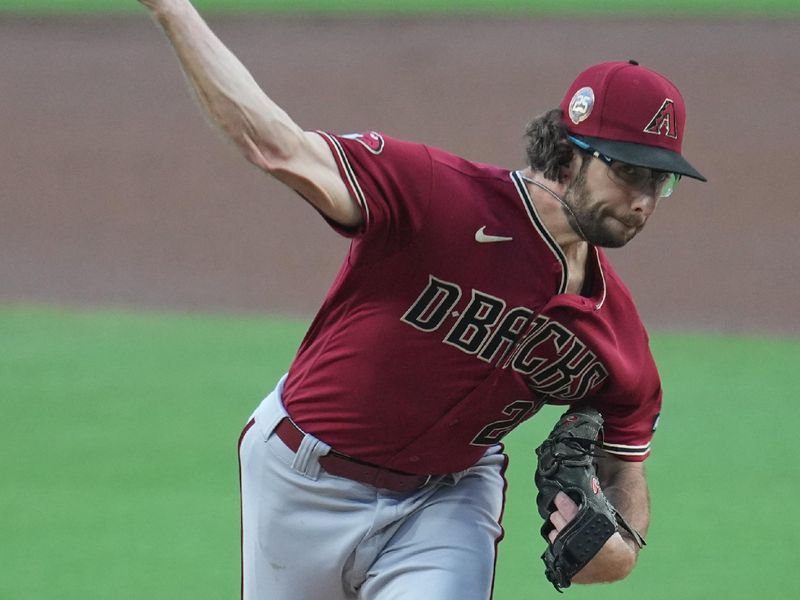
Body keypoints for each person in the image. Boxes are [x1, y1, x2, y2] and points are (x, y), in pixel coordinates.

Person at [138, 1, 706, 598]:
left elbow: (624, 465)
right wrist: (171, 8)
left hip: (448, 499)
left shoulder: (617, 337)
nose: (644, 199)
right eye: (628, 171)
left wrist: (621, 547)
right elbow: (276, 146)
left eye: (659, 180)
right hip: (300, 478)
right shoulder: (436, 195)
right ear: (569, 153)